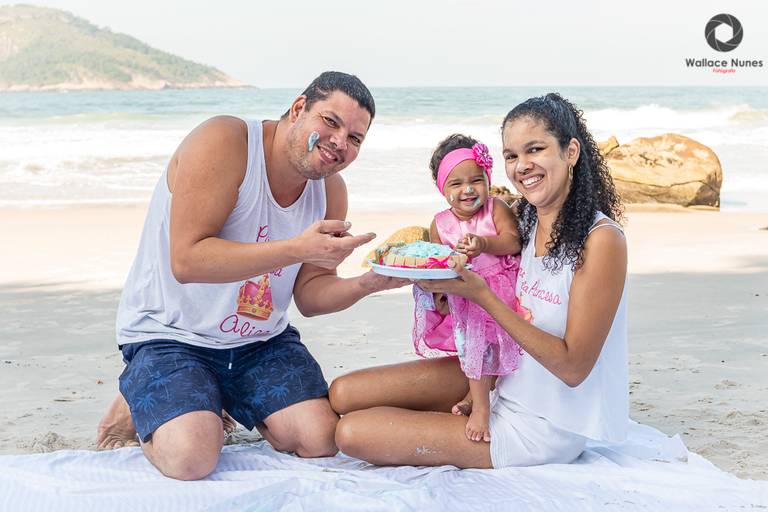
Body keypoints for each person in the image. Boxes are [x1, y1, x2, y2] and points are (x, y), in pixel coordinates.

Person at [95, 71, 409, 480]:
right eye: (330, 122)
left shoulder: (331, 191)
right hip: (169, 333)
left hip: (259, 340)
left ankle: (214, 394)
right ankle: (135, 401)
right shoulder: (226, 142)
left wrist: (370, 282)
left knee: (319, 439)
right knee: (192, 458)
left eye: (355, 138)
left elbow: (310, 297)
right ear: (299, 108)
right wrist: (297, 247)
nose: (339, 142)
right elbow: (187, 261)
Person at [329, 92, 628, 470]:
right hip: (499, 374)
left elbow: (574, 368)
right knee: (343, 394)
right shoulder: (526, 219)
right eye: (511, 155)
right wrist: (437, 288)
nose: (522, 166)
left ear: (570, 152)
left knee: (351, 433)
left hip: (543, 424)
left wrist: (483, 297)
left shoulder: (601, 240)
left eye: (535, 149)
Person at [411, 134, 522, 443]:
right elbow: (437, 263)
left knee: (493, 350)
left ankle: (481, 409)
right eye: (456, 184)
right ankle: (478, 401)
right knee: (474, 352)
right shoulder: (440, 224)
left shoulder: (495, 208)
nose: (468, 189)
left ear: (487, 179)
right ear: (443, 189)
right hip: (464, 300)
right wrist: (439, 295)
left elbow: (513, 241)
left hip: (499, 292)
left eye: (476, 180)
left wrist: (484, 243)